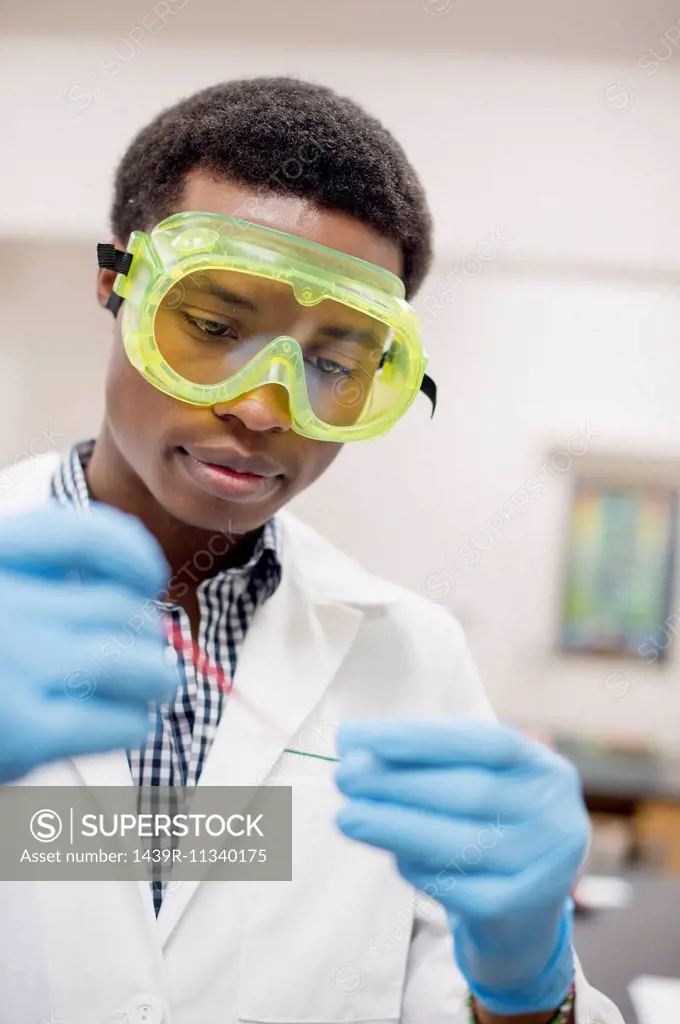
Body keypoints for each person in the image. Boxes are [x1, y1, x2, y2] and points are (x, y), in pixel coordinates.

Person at [0, 78, 624, 1024]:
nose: (262, 407)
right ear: (116, 285)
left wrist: (528, 983)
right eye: (212, 327)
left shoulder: (413, 655)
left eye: (333, 364)